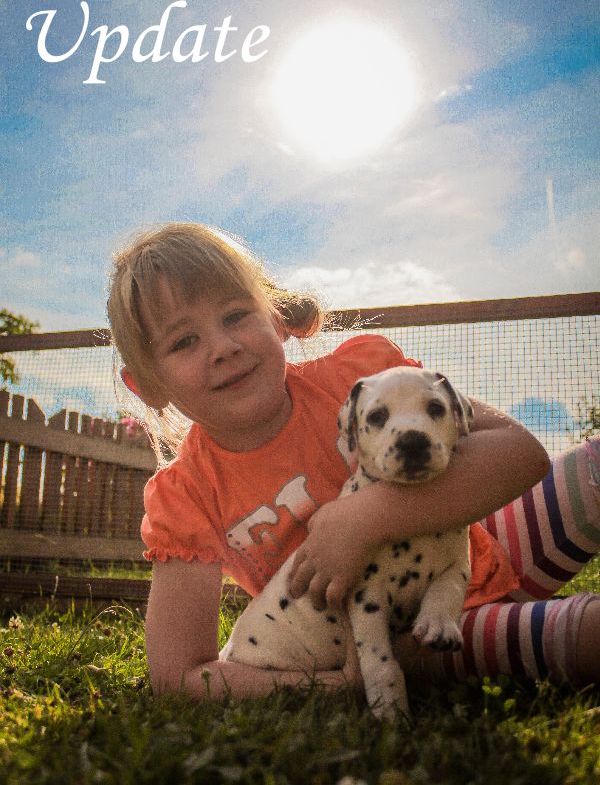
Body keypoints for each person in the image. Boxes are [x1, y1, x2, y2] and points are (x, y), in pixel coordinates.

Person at [107, 222, 600, 702]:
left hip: (483, 554)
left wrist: (364, 518)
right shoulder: (186, 495)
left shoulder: (357, 381)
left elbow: (521, 452)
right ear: (147, 384)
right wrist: (335, 686)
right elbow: (178, 676)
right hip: (416, 641)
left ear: (277, 319)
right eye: (183, 341)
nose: (223, 348)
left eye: (235, 315)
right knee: (589, 634)